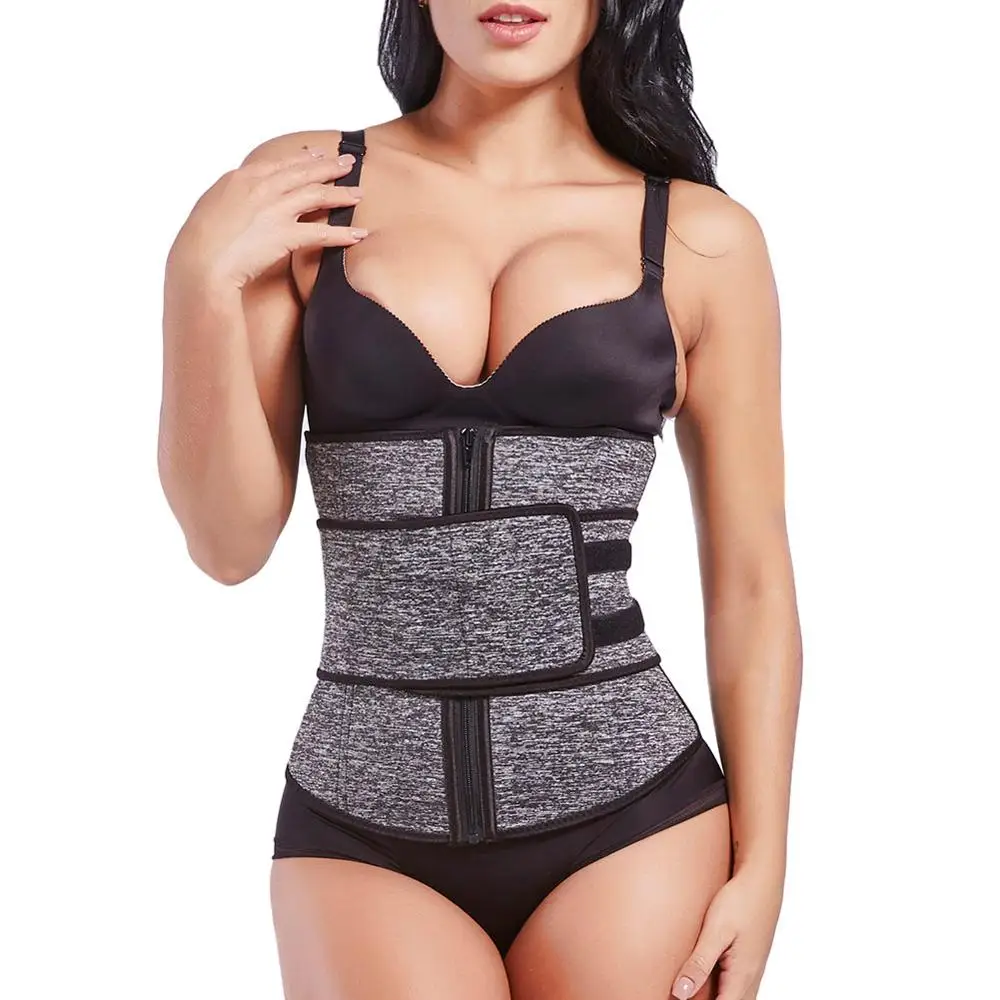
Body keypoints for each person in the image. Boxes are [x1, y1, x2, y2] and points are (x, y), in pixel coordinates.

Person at [158, 2, 802, 997]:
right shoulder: (310, 186)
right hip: (362, 825)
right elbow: (227, 543)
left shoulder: (700, 237)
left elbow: (752, 582)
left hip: (631, 814)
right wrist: (197, 279)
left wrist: (765, 869)